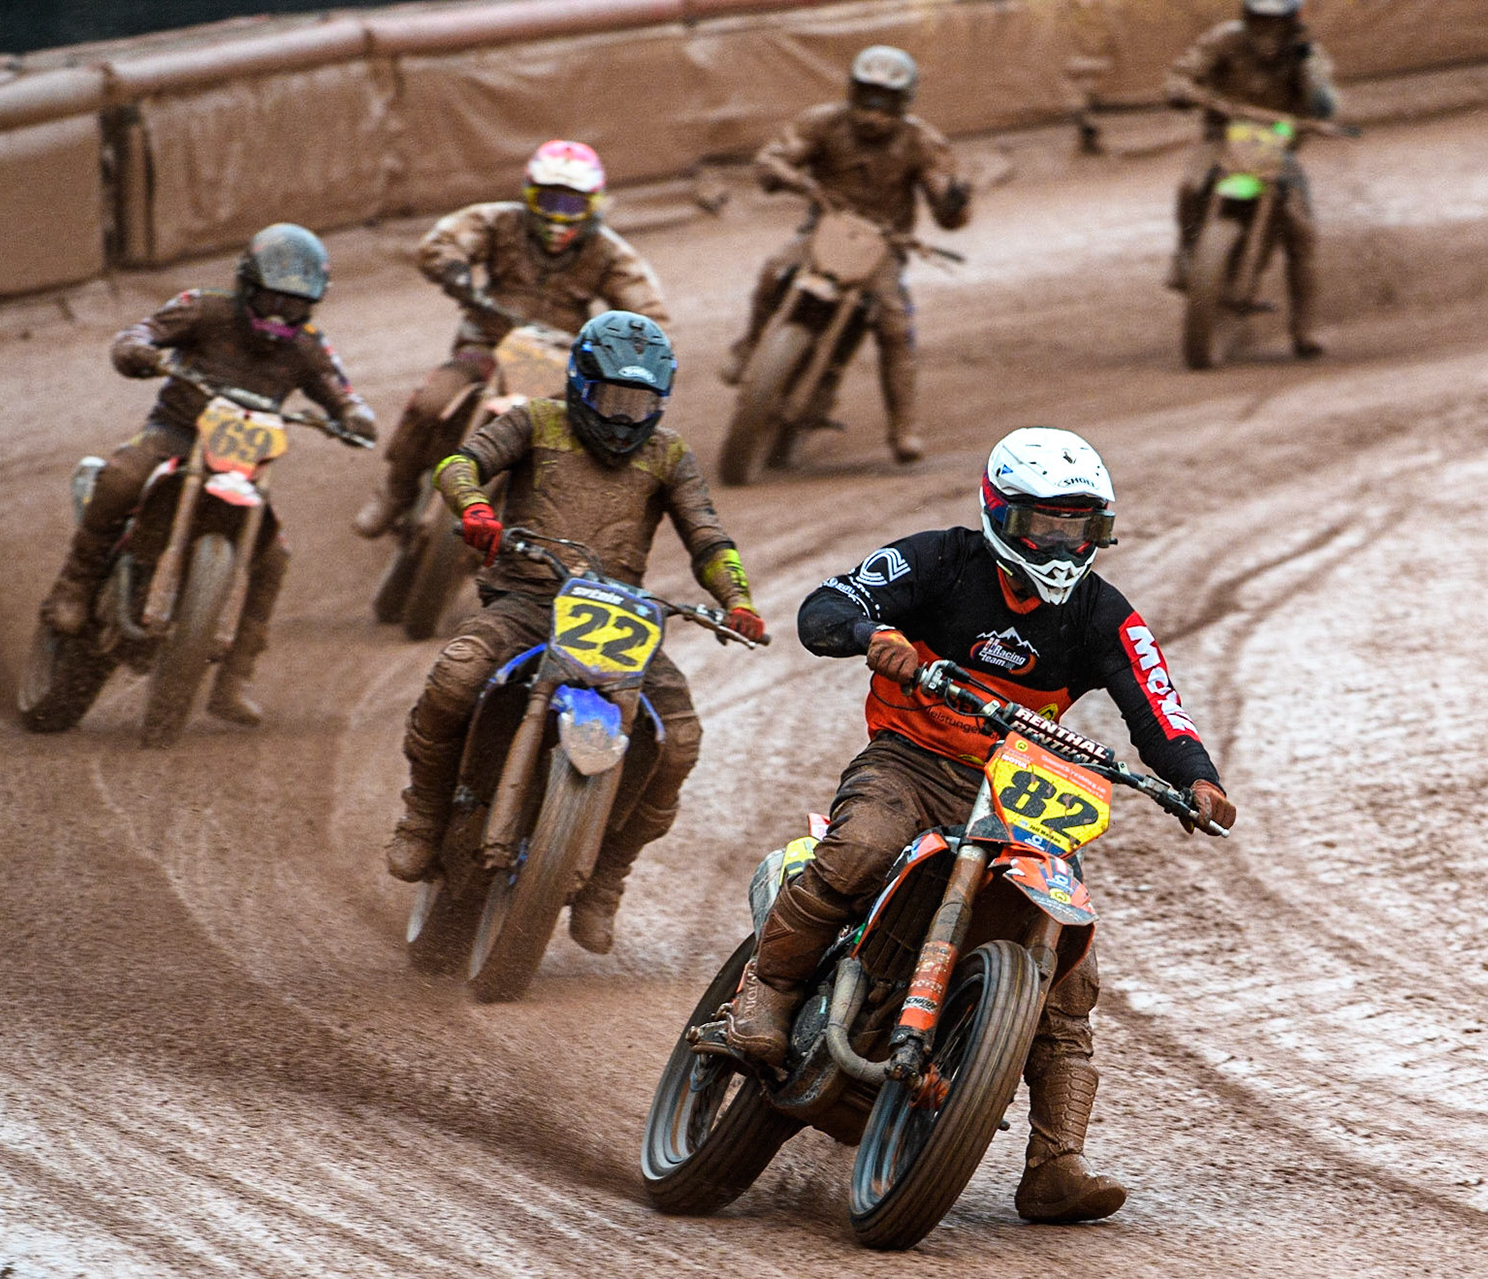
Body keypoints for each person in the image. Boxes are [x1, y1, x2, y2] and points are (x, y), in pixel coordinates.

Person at [724, 427, 1238, 1223]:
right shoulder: (938, 559)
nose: (1064, 545)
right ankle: (769, 988)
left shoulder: (1105, 614)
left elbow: (1156, 703)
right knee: (861, 846)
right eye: (1048, 526)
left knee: (1072, 965)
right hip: (912, 762)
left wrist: (1197, 777)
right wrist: (876, 636)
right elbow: (828, 606)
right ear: (1001, 513)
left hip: (1020, 789)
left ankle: (1055, 1162)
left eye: (1080, 528)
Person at [383, 311, 764, 954]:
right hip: (527, 600)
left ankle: (606, 878)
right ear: (579, 384)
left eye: (639, 401)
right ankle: (423, 812)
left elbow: (707, 536)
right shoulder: (535, 420)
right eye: (611, 397)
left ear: (660, 400)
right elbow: (460, 462)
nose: (622, 416)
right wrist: (475, 507)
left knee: (679, 742)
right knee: (456, 674)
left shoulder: (669, 453)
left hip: (619, 617)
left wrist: (737, 599)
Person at [38, 223, 377, 725]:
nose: (282, 313)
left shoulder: (307, 346)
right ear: (247, 285)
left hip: (244, 466)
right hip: (175, 434)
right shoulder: (204, 308)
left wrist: (353, 416)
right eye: (271, 299)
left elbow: (340, 390)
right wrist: (138, 349)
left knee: (275, 557)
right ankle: (76, 584)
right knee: (123, 476)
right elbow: (142, 332)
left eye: (296, 305)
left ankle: (233, 679)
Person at [350, 141, 672, 539]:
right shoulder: (499, 221)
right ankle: (396, 492)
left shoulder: (611, 253)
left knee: (580, 446)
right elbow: (443, 240)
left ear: (595, 205)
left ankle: (541, 535)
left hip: (560, 361)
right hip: (486, 343)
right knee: (431, 402)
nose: (558, 217)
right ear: (528, 195)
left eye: (572, 206)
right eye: (549, 200)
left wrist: (630, 346)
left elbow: (648, 313)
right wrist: (453, 269)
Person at [722, 45, 972, 465]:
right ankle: (750, 346)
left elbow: (946, 207)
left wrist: (953, 200)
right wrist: (790, 178)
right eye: (866, 98)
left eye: (885, 102)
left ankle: (903, 429)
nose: (873, 113)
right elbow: (773, 159)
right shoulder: (822, 122)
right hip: (825, 228)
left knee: (894, 323)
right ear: (852, 92)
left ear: (903, 102)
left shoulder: (921, 142)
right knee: (774, 270)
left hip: (884, 244)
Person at [1165, 0, 1340, 357]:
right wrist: (1181, 89)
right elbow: (1182, 72)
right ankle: (1186, 256)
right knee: (1188, 187)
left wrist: (1315, 89)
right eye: (1259, 21)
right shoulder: (1223, 40)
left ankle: (1304, 328)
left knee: (1301, 232)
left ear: (1292, 23)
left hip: (1274, 146)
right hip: (1222, 137)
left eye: (1275, 23)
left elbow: (1325, 103)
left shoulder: (1307, 55)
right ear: (1246, 17)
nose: (1266, 31)